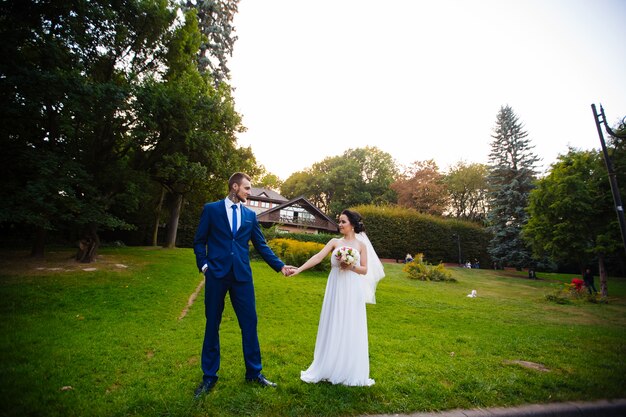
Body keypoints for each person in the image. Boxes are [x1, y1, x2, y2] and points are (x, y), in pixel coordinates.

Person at [192, 172, 295, 397]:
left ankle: (254, 373)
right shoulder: (211, 209)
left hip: (242, 278)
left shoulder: (250, 215)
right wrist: (205, 267)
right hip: (216, 276)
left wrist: (280, 266)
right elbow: (199, 241)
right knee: (212, 325)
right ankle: (209, 376)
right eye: (247, 188)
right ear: (235, 187)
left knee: (249, 324)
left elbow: (261, 245)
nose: (249, 192)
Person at [291, 209, 385, 386]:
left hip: (352, 288)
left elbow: (365, 270)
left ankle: (348, 368)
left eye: (343, 221)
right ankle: (328, 365)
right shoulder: (334, 242)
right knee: (333, 321)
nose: (339, 224)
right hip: (335, 286)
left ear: (352, 224)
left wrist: (350, 267)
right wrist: (299, 269)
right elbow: (318, 257)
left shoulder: (361, 245)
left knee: (350, 323)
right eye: (339, 221)